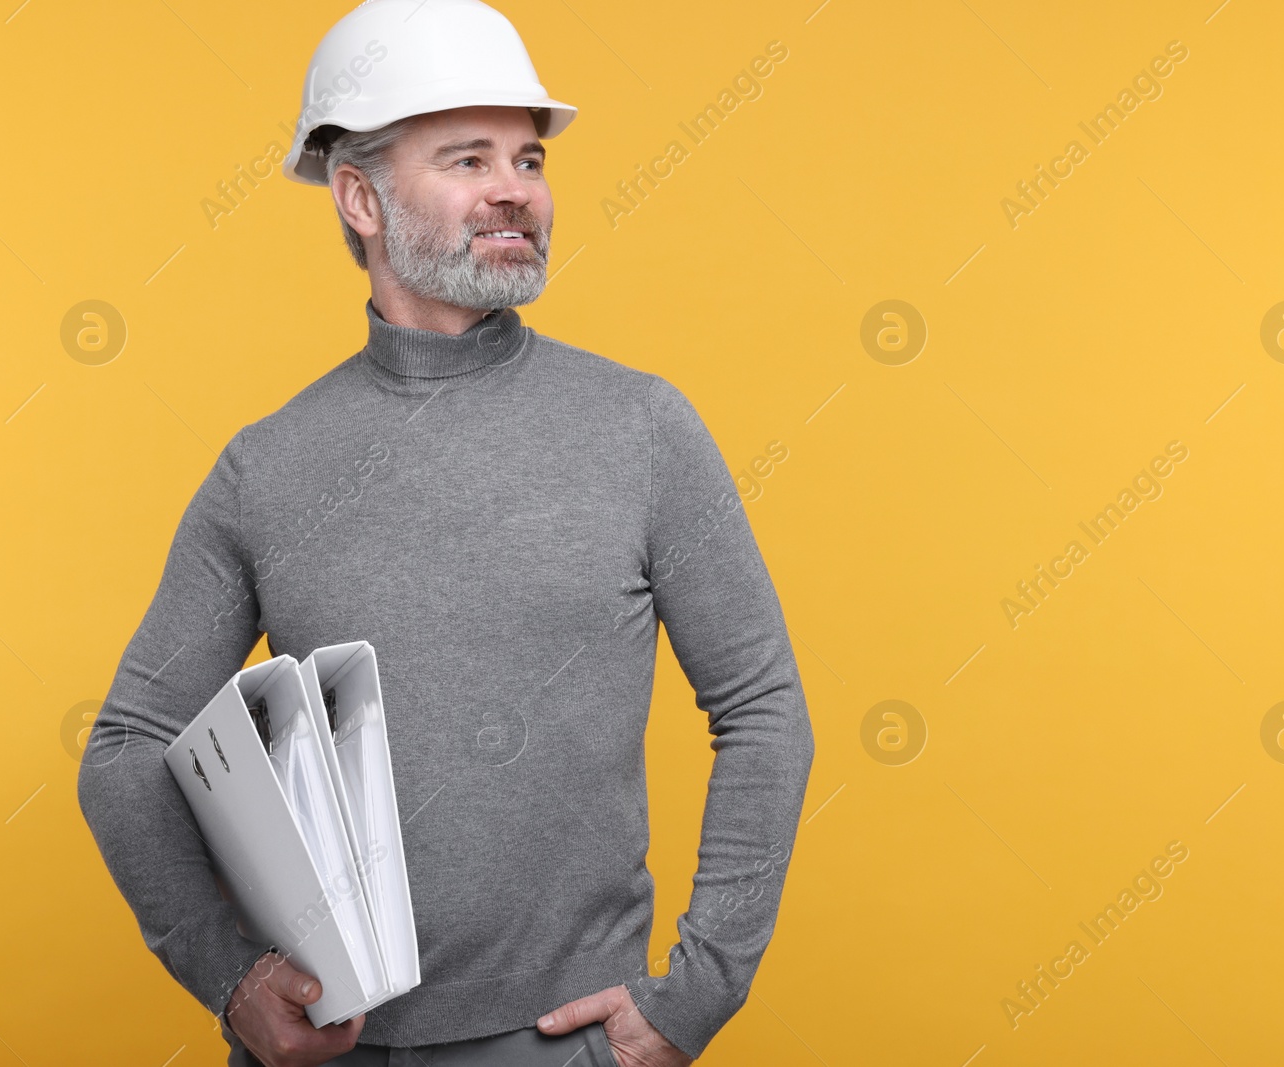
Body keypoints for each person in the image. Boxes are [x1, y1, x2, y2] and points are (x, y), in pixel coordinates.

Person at [75, 2, 815, 1065]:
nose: (514, 185)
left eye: (526, 156)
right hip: (324, 1045)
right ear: (360, 197)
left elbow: (762, 709)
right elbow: (125, 747)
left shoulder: (640, 427)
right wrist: (226, 975)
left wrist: (697, 991)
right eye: (467, 159)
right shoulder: (266, 466)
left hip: (559, 1042)